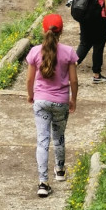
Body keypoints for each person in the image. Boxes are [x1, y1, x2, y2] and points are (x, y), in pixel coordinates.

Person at [26, 13, 78, 197]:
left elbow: (30, 78)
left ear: (43, 29)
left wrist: (31, 96)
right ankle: (60, 170)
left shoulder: (34, 52)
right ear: (62, 31)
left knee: (42, 140)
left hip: (41, 100)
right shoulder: (69, 52)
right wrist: (73, 99)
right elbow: (73, 80)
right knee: (59, 135)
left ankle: (42, 182)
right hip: (61, 101)